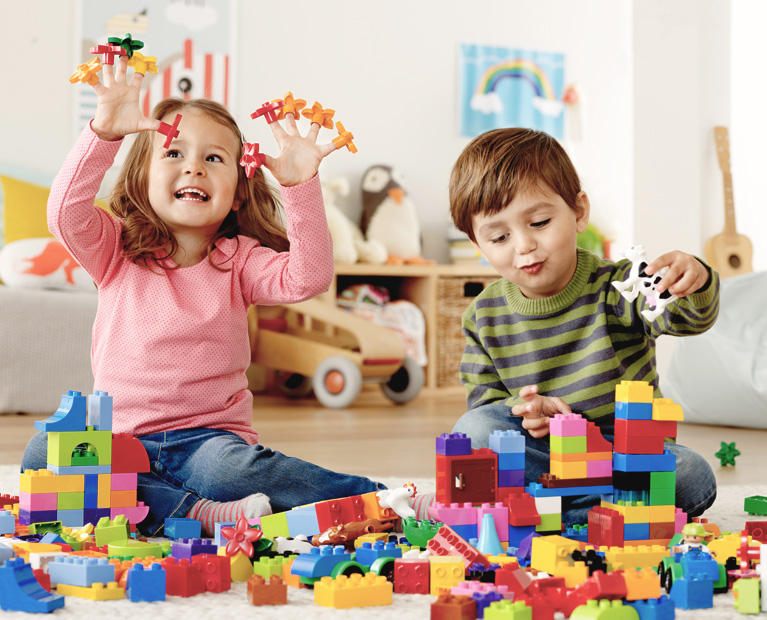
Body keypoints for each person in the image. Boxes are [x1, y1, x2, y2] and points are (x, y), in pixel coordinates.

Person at [21, 54, 384, 537]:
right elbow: (64, 214)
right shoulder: (115, 248)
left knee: (231, 474)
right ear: (143, 177)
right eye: (174, 153)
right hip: (119, 441)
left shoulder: (241, 260)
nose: (193, 167)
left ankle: (381, 499)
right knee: (43, 454)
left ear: (238, 192)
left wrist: (300, 186)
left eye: (214, 159)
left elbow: (308, 278)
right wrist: (104, 134)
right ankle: (198, 513)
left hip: (209, 445)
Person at [448, 127, 719, 527]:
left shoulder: (621, 285)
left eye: (539, 222)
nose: (523, 245)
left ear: (578, 212)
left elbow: (687, 319)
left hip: (625, 456)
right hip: (546, 454)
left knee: (691, 475)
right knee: (473, 430)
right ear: (477, 245)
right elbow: (485, 406)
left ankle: (555, 512)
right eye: (500, 237)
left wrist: (694, 281)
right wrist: (526, 409)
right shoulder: (483, 315)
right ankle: (603, 512)